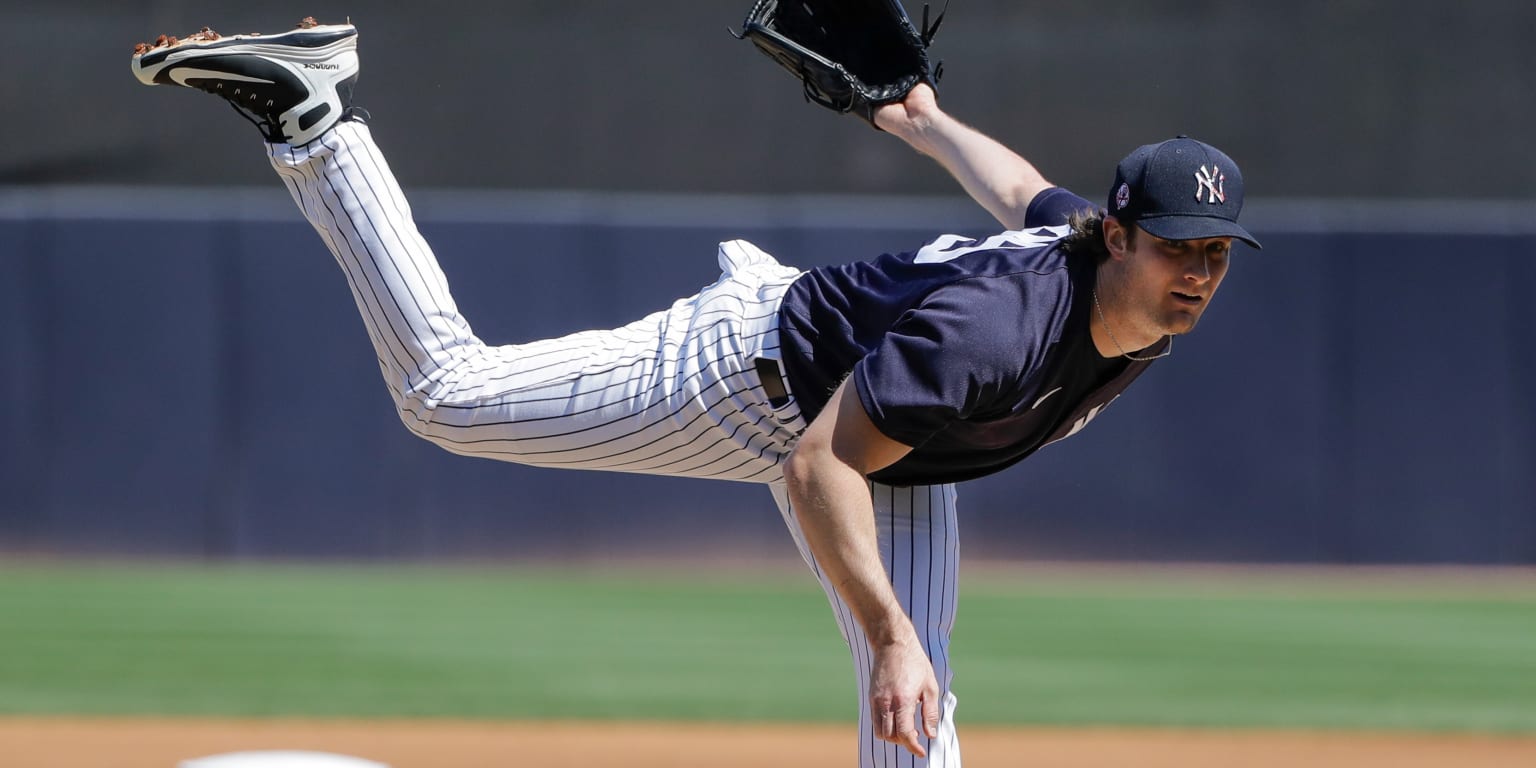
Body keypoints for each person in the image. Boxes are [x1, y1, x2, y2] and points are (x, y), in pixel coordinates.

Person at [131, 18, 1260, 768]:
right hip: (757, 382)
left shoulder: (1114, 277)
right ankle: (317, 121)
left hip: (893, 441)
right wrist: (887, 628)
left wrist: (917, 115)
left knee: (915, 719)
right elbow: (815, 466)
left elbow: (1017, 185)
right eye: (1177, 248)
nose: (1198, 272)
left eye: (1214, 250)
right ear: (1118, 235)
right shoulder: (999, 328)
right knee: (444, 393)